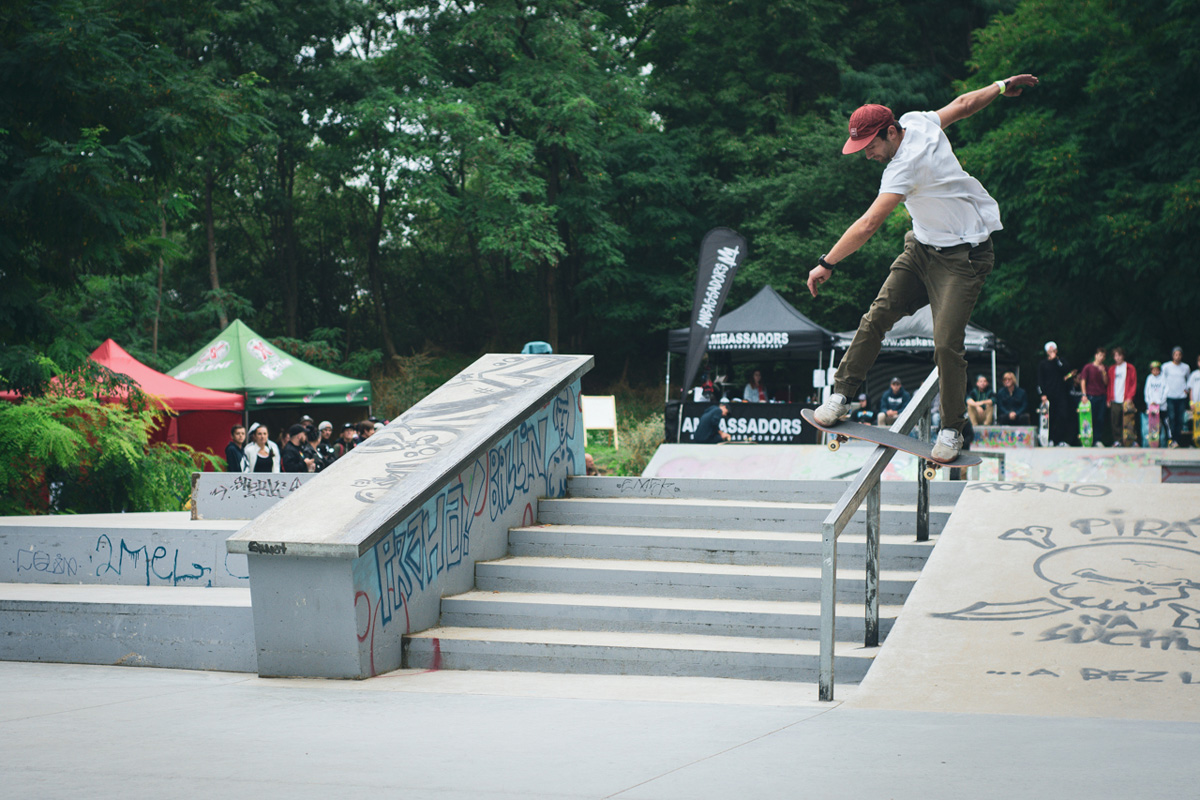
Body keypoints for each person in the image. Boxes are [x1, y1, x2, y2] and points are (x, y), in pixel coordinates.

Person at [807, 72, 1040, 463]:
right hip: (921, 250)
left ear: (890, 131)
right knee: (876, 316)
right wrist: (1000, 87)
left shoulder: (904, 167)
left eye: (870, 145)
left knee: (946, 343)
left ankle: (951, 430)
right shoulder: (917, 120)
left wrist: (826, 263)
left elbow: (868, 224)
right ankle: (841, 394)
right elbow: (963, 105)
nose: (867, 154)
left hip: (964, 258)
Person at [1037, 341, 1076, 446]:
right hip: (1049, 395)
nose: (1052, 353)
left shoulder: (1060, 361)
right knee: (1050, 417)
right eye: (1050, 351)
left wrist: (1056, 360)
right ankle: (1050, 439)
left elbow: (1066, 369)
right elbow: (1040, 380)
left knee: (1062, 416)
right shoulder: (1043, 364)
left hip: (1061, 394)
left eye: (1054, 350)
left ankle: (1060, 440)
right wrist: (1042, 395)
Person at [1107, 347, 1138, 447]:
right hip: (1115, 398)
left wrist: (1130, 397)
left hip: (1126, 398)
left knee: (1129, 421)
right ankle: (1117, 440)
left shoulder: (1129, 367)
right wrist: (1108, 398)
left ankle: (1130, 440)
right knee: (1115, 421)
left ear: (1123, 356)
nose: (1117, 358)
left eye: (1119, 355)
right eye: (1115, 356)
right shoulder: (1112, 369)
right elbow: (1109, 384)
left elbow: (1133, 383)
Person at [1077, 347, 1108, 445]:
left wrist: (1103, 372)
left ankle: (1097, 440)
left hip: (1102, 395)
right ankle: (1087, 439)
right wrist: (1084, 394)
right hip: (1091, 396)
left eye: (1103, 356)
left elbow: (1106, 382)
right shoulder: (1088, 367)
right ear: (1096, 355)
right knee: (1090, 418)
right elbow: (1083, 381)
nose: (1101, 357)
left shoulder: (1105, 368)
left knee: (1100, 418)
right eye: (1100, 355)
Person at [1162, 347, 1190, 448]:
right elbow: (1163, 380)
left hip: (1181, 397)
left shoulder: (1185, 367)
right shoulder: (1166, 366)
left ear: (1181, 356)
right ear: (1173, 355)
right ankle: (1172, 439)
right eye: (1175, 354)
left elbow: (1188, 379)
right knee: (1172, 418)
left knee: (1180, 419)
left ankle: (1177, 440)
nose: (1177, 357)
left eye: (1179, 355)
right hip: (1170, 396)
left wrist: (1186, 390)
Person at [1188, 353, 1200, 446]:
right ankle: (1197, 439)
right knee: (1196, 421)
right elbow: (1190, 389)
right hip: (1196, 403)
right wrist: (1191, 402)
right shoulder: (1194, 374)